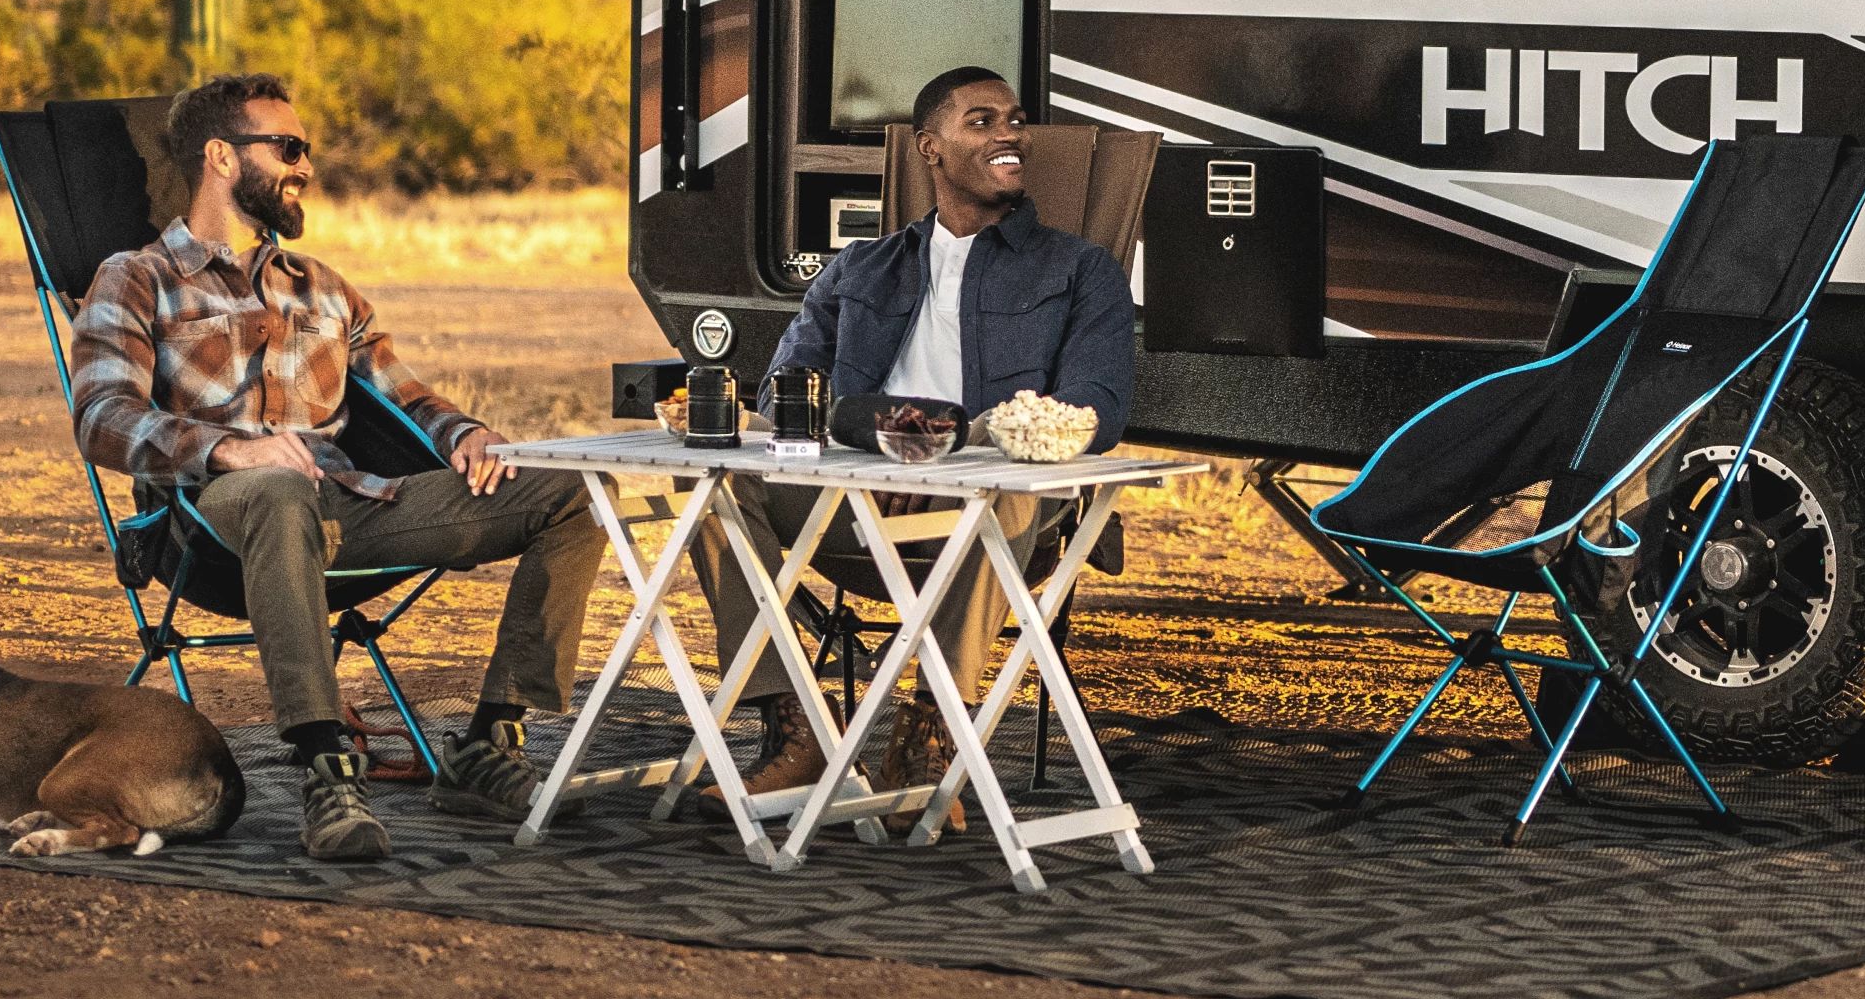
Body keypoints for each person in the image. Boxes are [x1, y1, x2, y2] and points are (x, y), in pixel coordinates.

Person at [64, 73, 607, 860]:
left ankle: (490, 739)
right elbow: (101, 415)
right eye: (288, 148)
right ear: (220, 156)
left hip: (350, 505)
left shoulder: (321, 287)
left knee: (576, 491)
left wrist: (467, 432)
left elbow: (405, 392)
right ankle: (326, 765)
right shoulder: (137, 277)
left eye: (306, 150)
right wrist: (229, 447)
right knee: (279, 487)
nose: (305, 167)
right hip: (214, 521)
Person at [714, 66, 1138, 788]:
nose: (1010, 134)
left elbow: (1093, 408)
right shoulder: (860, 269)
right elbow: (789, 391)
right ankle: (792, 722)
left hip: (992, 515)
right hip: (856, 509)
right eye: (982, 120)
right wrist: (881, 450)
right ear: (929, 148)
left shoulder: (1080, 270)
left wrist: (945, 451)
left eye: (1015, 119)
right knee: (719, 489)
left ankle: (929, 728)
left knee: (1006, 489)